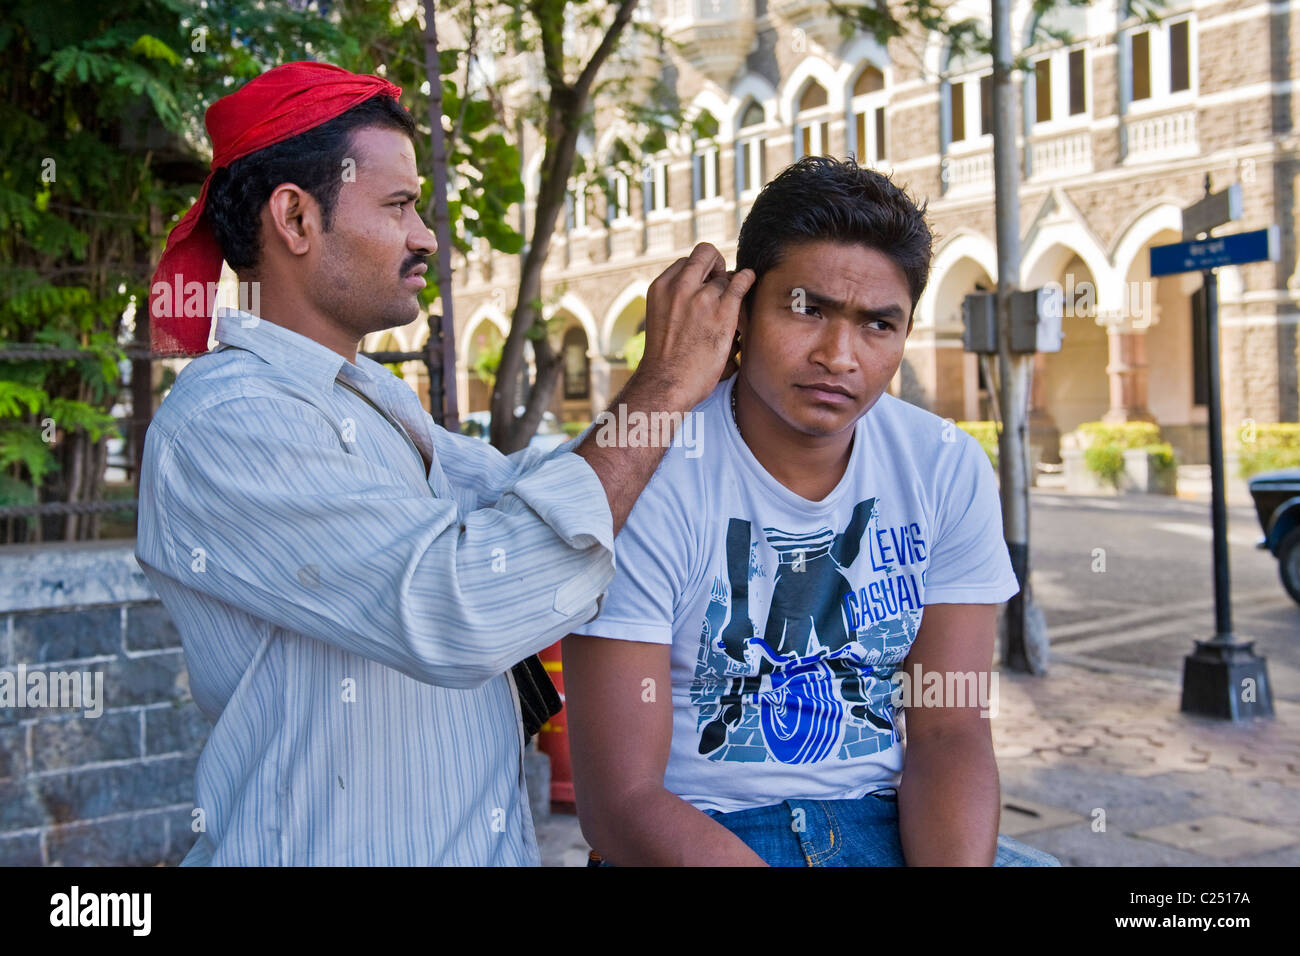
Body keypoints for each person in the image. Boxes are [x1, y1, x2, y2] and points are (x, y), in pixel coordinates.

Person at [133, 61, 754, 865]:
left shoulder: (367, 400)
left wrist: (714, 390)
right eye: (398, 206)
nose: (426, 235)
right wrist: (663, 386)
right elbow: (461, 604)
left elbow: (529, 488)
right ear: (295, 217)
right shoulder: (229, 421)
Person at [563, 155, 1060, 867]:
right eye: (808, 311)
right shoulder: (641, 470)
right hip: (703, 834)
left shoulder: (945, 466)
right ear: (740, 314)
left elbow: (950, 730)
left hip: (882, 821)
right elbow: (622, 803)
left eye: (878, 325)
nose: (840, 355)